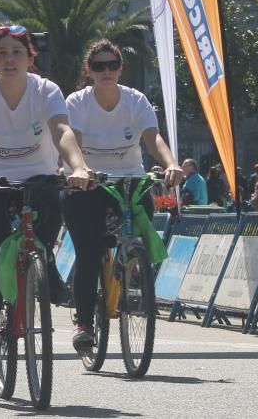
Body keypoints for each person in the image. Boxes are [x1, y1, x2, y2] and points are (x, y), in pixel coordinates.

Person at [0, 24, 89, 380]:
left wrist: (78, 166)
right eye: (2, 53)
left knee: (54, 199)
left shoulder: (46, 91)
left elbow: (62, 130)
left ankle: (46, 263)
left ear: (31, 58)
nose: (9, 60)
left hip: (37, 176)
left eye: (17, 53)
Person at [64, 38, 183, 355]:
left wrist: (170, 164)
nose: (106, 71)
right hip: (88, 183)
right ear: (89, 71)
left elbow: (152, 138)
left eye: (112, 65)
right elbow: (71, 141)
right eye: (99, 66)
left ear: (120, 69)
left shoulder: (136, 101)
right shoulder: (77, 103)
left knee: (141, 223)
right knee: (88, 254)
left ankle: (133, 265)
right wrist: (80, 170)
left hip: (128, 180)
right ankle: (85, 324)